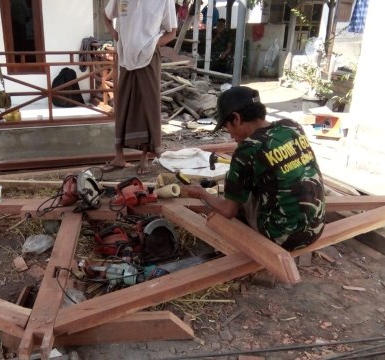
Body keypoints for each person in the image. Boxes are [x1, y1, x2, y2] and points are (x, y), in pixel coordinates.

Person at [181, 86, 326, 251]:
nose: (229, 134)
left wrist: (202, 193)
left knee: (233, 180)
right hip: (315, 228)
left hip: (283, 238)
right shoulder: (291, 127)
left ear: (236, 118)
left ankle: (244, 236)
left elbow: (228, 211)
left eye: (227, 127)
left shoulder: (247, 150)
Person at [103, 0, 178, 175]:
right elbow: (106, 16)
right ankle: (119, 156)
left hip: (148, 58)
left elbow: (171, 32)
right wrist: (116, 35)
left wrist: (152, 44)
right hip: (125, 57)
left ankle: (145, 158)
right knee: (123, 105)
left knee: (148, 106)